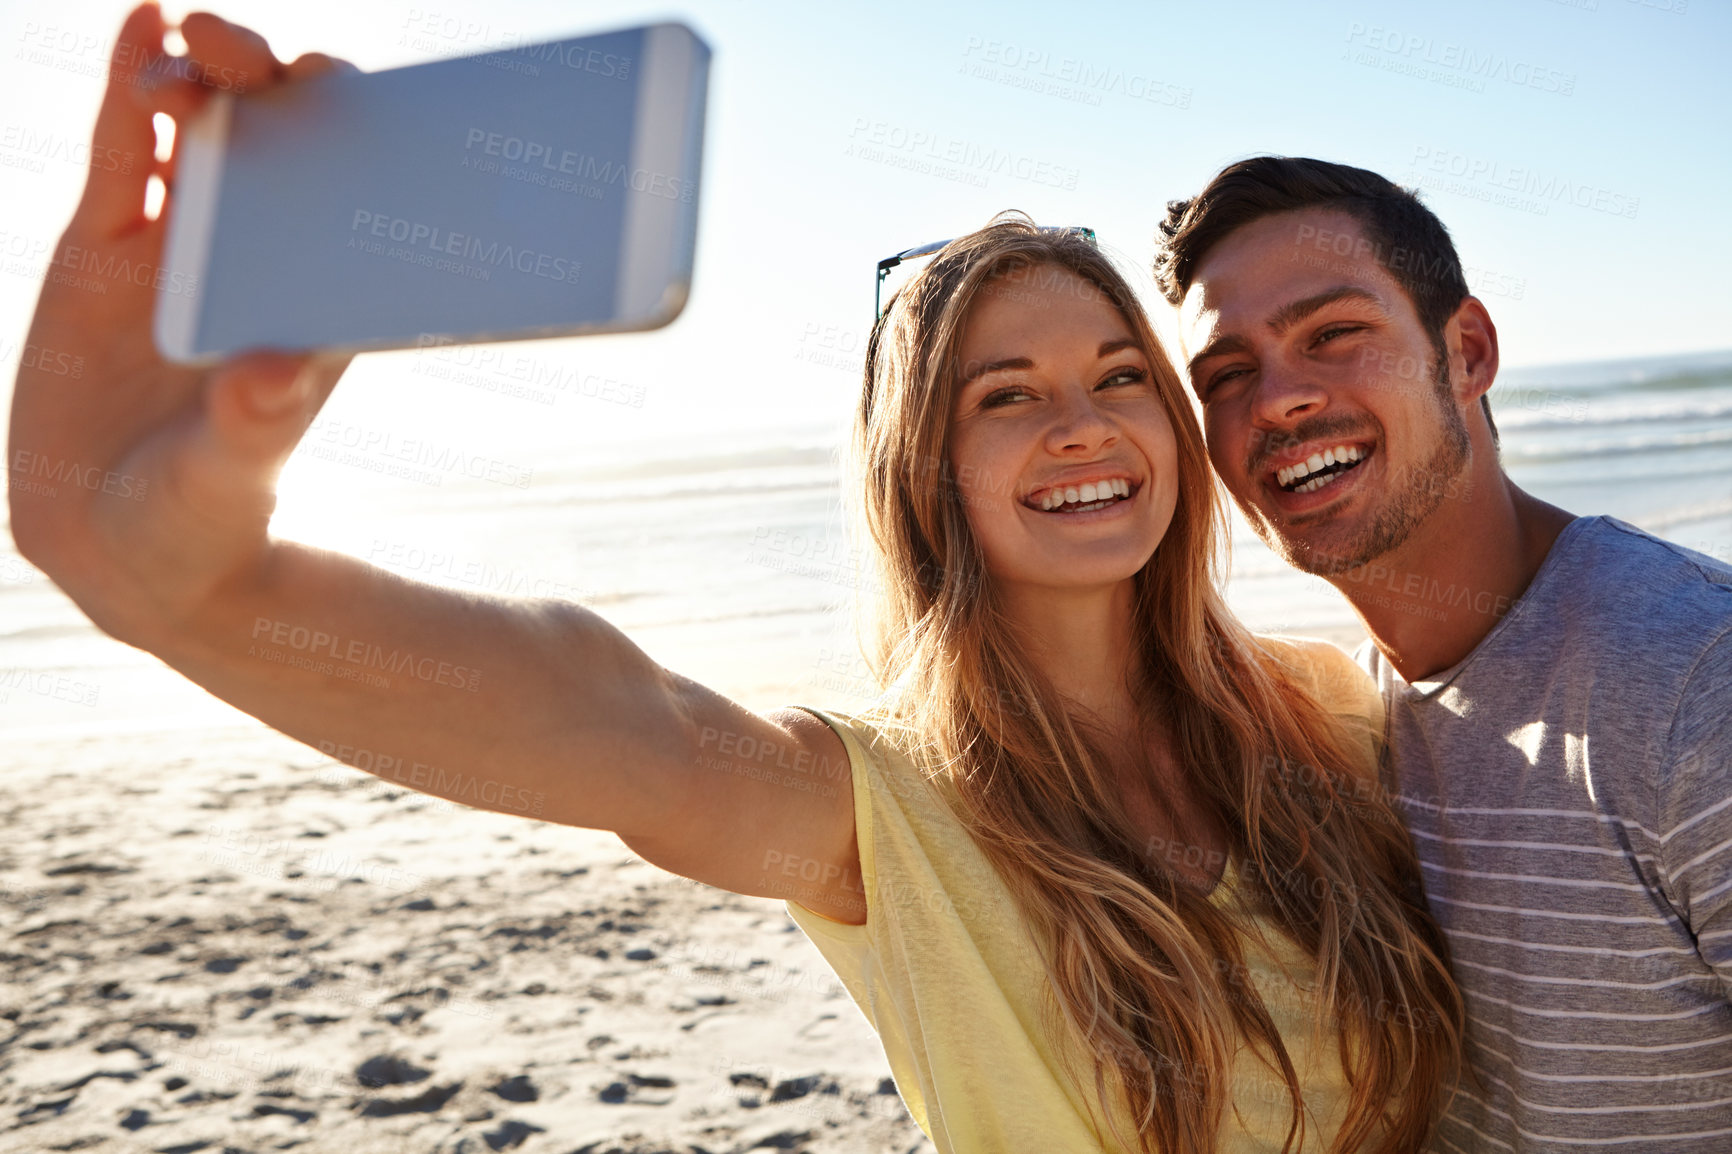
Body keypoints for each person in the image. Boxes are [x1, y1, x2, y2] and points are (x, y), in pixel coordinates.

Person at [9, 10, 1461, 1151]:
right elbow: (603, 712)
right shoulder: (879, 814)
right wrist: (181, 585)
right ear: (925, 474)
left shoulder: (1332, 713)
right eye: (1003, 396)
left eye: (1121, 375)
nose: (1082, 422)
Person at [1154, 155, 1732, 1151]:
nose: (1279, 399)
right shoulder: (1345, 718)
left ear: (1464, 351)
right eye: (1227, 374)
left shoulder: (1692, 681)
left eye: (1332, 333)